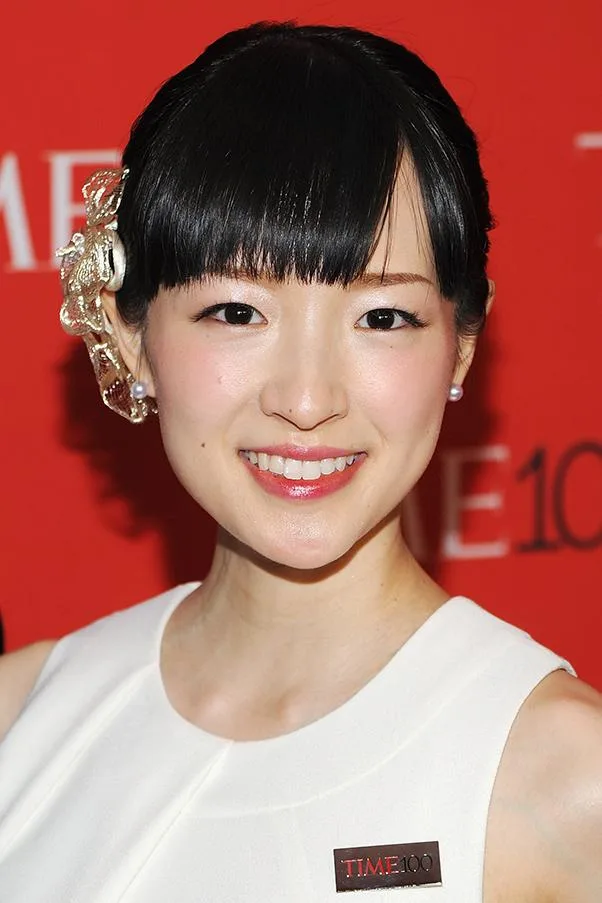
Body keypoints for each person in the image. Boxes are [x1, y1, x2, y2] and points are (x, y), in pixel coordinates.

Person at [0, 20, 600, 903]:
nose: (308, 398)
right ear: (129, 337)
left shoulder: (566, 777)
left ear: (463, 346)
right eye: (238, 313)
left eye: (383, 318)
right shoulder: (24, 718)